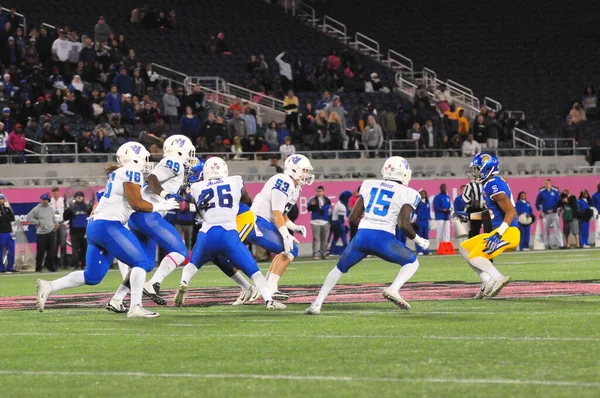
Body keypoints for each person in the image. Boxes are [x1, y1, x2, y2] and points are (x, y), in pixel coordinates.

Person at [36, 142, 179, 318]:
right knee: (141, 262)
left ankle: (50, 286)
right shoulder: (131, 172)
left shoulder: (118, 174)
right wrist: (161, 206)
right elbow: (136, 204)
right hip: (108, 225)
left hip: (96, 226)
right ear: (134, 158)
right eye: (143, 157)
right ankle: (135, 307)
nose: (145, 161)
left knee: (92, 276)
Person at [305, 157, 429, 315]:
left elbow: (351, 218)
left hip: (362, 236)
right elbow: (404, 225)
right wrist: (420, 241)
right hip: (384, 239)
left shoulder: (369, 184)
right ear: (404, 174)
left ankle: (317, 303)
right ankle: (393, 288)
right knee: (412, 263)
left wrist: (365, 231)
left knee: (338, 269)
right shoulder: (408, 193)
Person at [172, 157, 285, 310]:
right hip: (228, 234)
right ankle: (268, 300)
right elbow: (246, 199)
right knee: (254, 271)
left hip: (207, 234)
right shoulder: (235, 181)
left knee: (192, 264)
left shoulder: (198, 187)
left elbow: (191, 205)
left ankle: (184, 282)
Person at [106, 135, 195, 311]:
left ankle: (117, 300)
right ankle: (153, 284)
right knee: (181, 251)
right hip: (147, 216)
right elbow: (151, 179)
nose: (190, 156)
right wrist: (165, 195)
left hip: (139, 217)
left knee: (144, 263)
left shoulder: (173, 165)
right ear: (179, 151)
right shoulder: (173, 162)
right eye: (188, 152)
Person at [246, 154, 313, 301]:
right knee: (290, 248)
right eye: (304, 170)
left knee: (288, 249)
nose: (306, 174)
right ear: (294, 170)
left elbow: (283, 214)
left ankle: (264, 287)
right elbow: (276, 211)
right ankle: (270, 288)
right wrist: (285, 234)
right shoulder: (283, 180)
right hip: (256, 222)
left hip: (263, 222)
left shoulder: (295, 188)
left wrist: (293, 227)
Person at [452, 153, 518, 299]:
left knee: (475, 256)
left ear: (487, 168)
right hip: (501, 230)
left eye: (477, 169)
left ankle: (498, 277)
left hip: (509, 231)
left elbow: (511, 212)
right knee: (464, 248)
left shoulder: (493, 184)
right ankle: (487, 281)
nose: (474, 173)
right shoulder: (489, 184)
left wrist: (498, 234)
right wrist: (469, 216)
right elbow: (490, 214)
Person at [27, 194, 58, 272]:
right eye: (43, 200)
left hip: (51, 231)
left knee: (51, 251)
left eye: (46, 200)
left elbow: (53, 218)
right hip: (41, 233)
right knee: (41, 251)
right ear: (40, 200)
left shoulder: (51, 209)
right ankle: (38, 268)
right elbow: (29, 217)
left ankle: (50, 267)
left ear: (48, 200)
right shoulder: (36, 209)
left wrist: (56, 224)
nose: (45, 201)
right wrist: (36, 222)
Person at [63, 192, 92, 269]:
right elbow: (65, 217)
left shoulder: (88, 207)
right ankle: (75, 265)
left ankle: (84, 264)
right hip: (74, 232)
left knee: (85, 249)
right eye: (78, 197)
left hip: (85, 232)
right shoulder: (71, 208)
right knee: (75, 250)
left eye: (81, 196)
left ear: (83, 198)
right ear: (75, 198)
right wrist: (68, 210)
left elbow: (92, 217)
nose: (79, 198)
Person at [535, 179, 564, 249]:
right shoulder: (541, 193)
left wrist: (556, 209)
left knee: (557, 228)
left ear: (550, 184)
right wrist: (540, 211)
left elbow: (559, 202)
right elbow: (537, 203)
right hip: (545, 214)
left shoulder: (555, 193)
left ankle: (560, 244)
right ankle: (548, 244)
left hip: (554, 213)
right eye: (546, 183)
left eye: (548, 183)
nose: (547, 185)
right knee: (547, 230)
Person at [308, 185, 332, 260]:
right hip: (315, 221)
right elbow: (309, 209)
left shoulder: (327, 200)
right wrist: (312, 205)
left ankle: (323, 253)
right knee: (316, 238)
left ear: (323, 191)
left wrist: (329, 219)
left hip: (324, 221)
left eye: (320, 191)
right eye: (317, 191)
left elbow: (330, 210)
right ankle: (315, 253)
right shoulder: (313, 199)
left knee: (324, 238)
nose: (318, 192)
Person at [49, 187, 67, 268]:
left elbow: (67, 212)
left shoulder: (63, 200)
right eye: (54, 192)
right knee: (54, 244)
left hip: (62, 223)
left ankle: (63, 263)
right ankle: (54, 263)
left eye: (56, 192)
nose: (55, 193)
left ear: (59, 192)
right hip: (53, 225)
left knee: (63, 243)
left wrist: (65, 222)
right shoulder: (50, 201)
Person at [0, 193, 16, 272]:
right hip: (1, 232)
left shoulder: (7, 209)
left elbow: (12, 218)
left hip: (9, 231)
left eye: (2, 199)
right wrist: (5, 218)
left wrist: (4, 218)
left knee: (12, 250)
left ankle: (10, 267)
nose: (1, 201)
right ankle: (1, 268)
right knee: (0, 250)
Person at [433, 184, 451, 248]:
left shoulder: (447, 197)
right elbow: (436, 207)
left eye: (445, 187)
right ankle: (439, 247)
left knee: (447, 233)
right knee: (440, 233)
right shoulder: (437, 197)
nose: (444, 188)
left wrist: (449, 210)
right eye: (443, 187)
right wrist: (443, 210)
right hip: (439, 217)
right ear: (440, 188)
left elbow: (449, 206)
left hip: (446, 217)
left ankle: (447, 247)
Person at [414, 189, 431, 256]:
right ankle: (419, 250)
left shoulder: (427, 202)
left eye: (424, 193)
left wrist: (430, 220)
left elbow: (428, 212)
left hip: (426, 221)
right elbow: (415, 212)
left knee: (426, 236)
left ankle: (426, 250)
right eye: (422, 193)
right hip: (419, 221)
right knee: (419, 236)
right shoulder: (418, 202)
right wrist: (413, 220)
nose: (423, 194)